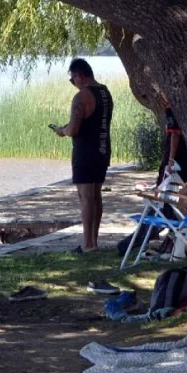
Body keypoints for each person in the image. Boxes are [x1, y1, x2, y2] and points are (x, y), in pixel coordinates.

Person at [51, 58, 114, 252]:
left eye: (72, 80)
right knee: (96, 196)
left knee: (85, 197)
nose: (73, 83)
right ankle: (94, 241)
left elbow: (73, 129)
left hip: (85, 152)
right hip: (102, 149)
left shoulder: (81, 97)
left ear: (79, 76)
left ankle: (87, 244)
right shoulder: (105, 92)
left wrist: (61, 130)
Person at [159, 106, 187, 185]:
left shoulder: (172, 108)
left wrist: (171, 160)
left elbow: (175, 134)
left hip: (177, 153)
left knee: (164, 183)